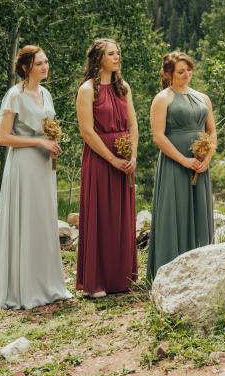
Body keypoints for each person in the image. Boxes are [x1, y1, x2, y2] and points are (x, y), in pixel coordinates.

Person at [0, 46, 71, 309]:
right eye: (39, 63)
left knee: (42, 220)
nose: (45, 67)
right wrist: (39, 143)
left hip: (44, 167)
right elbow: (2, 137)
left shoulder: (46, 93)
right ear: (26, 67)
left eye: (46, 61)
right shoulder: (14, 96)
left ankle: (47, 284)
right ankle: (22, 289)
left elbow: (47, 130)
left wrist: (51, 144)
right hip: (23, 165)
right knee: (26, 218)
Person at [76, 38, 139, 297]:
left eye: (118, 53)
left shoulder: (123, 87)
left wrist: (132, 155)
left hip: (124, 160)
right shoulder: (87, 90)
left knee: (122, 218)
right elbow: (87, 132)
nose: (117, 57)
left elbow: (133, 125)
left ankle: (121, 278)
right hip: (100, 161)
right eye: (111, 54)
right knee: (100, 216)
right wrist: (111, 159)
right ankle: (96, 282)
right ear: (98, 58)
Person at [146, 52, 216, 282]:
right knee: (174, 212)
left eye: (189, 70)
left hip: (200, 164)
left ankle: (201, 272)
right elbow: (158, 136)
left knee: (199, 211)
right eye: (180, 71)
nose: (186, 75)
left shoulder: (203, 98)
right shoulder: (162, 98)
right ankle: (170, 274)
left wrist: (207, 157)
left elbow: (211, 131)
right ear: (168, 74)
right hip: (175, 164)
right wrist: (184, 160)